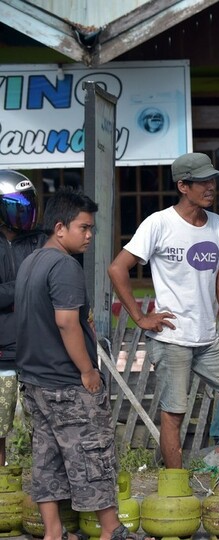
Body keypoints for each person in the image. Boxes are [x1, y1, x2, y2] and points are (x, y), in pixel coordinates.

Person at [108, 152, 219, 480]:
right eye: (203, 181)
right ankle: (177, 486)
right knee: (174, 414)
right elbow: (117, 269)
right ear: (183, 185)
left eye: (213, 180)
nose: (211, 186)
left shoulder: (218, 225)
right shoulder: (159, 224)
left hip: (208, 339)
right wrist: (141, 317)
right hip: (172, 339)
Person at [15, 189, 137, 540]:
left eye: (91, 228)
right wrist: (87, 369)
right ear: (59, 228)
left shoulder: (31, 263)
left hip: (35, 380)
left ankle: (54, 532)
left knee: (47, 456)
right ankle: (111, 530)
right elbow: (66, 322)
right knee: (93, 453)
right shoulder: (65, 266)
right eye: (83, 227)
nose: (89, 235)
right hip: (66, 381)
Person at [0, 170, 47, 466]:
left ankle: (41, 493)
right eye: (18, 204)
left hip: (39, 353)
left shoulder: (41, 240)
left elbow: (53, 286)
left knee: (43, 430)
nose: (25, 210)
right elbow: (35, 285)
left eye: (28, 203)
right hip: (2, 356)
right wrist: (25, 286)